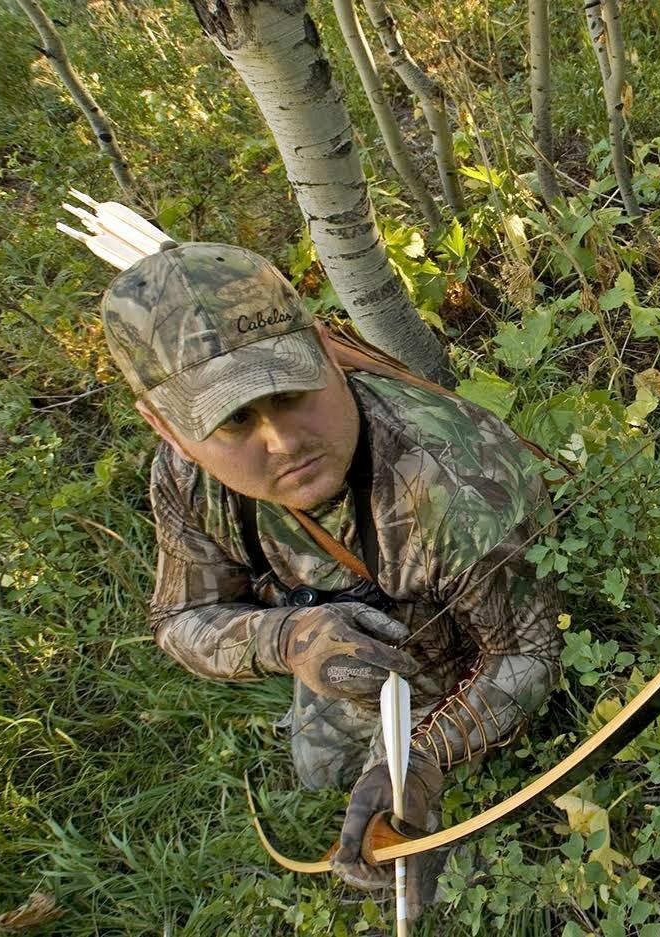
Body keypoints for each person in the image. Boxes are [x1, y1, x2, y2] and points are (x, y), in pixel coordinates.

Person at [100, 241, 563, 915]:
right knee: (319, 773)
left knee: (413, 846)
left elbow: (527, 652)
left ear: (322, 345)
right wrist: (288, 639)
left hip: (460, 659)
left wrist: (420, 761)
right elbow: (179, 618)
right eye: (233, 421)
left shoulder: (456, 483)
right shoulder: (184, 478)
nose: (284, 442)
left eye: (290, 393)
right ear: (165, 426)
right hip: (336, 658)